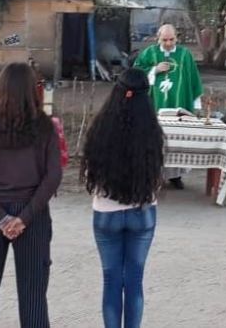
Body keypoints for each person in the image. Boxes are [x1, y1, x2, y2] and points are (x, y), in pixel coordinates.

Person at [0, 62, 62, 328]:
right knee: (33, 299)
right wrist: (24, 217)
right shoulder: (46, 128)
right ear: (34, 91)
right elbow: (53, 176)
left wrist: (0, 217)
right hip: (33, 214)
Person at [82, 68, 165, 328]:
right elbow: (157, 174)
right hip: (142, 211)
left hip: (106, 212)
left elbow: (91, 171)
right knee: (134, 281)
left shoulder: (99, 129)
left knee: (111, 280)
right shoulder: (153, 132)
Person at [133, 23, 203, 190]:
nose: (169, 43)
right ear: (158, 38)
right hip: (154, 105)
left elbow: (193, 78)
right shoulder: (150, 52)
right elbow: (136, 72)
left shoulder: (185, 55)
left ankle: (176, 176)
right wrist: (154, 70)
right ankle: (154, 175)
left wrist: (196, 104)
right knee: (155, 140)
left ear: (176, 38)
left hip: (180, 105)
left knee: (177, 140)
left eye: (172, 39)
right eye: (165, 40)